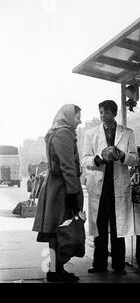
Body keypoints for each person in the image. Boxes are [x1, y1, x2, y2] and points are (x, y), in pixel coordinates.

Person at [82, 100, 138, 275]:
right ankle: (99, 264)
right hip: (99, 187)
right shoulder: (91, 134)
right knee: (99, 228)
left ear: (114, 113)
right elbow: (84, 159)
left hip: (119, 186)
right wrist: (98, 159)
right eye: (100, 112)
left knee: (118, 228)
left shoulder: (127, 133)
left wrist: (122, 156)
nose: (102, 116)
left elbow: (135, 159)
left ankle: (119, 266)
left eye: (105, 113)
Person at [33, 104, 83, 282]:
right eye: (77, 116)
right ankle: (56, 271)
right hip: (62, 189)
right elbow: (68, 166)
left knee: (55, 232)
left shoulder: (54, 131)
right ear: (69, 116)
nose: (79, 121)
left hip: (55, 187)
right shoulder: (64, 134)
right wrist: (72, 193)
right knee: (63, 231)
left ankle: (55, 269)